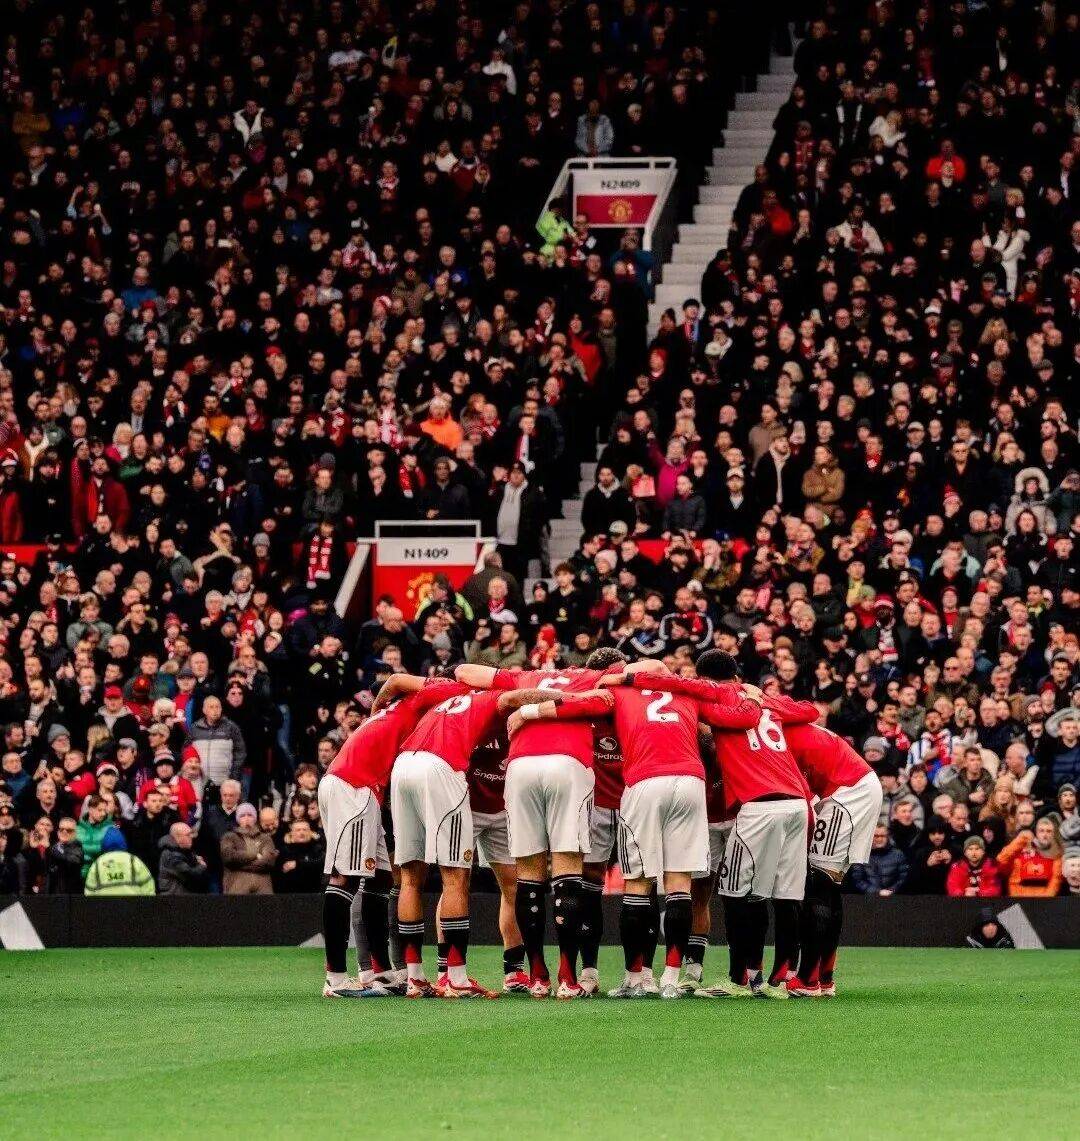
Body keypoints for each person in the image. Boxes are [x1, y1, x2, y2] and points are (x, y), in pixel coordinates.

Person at [783, 721, 882, 998]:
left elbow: (800, 795)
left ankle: (808, 980)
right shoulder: (789, 725)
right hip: (855, 786)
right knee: (830, 884)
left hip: (847, 793)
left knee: (819, 883)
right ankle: (824, 977)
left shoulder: (776, 737)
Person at [995, 817, 1063, 897]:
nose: (1045, 835)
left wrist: (1045, 900)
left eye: (1049, 831)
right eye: (1041, 831)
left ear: (1053, 834)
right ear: (1036, 833)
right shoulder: (1019, 852)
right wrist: (1021, 840)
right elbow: (1001, 860)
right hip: (1019, 899)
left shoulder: (1056, 855)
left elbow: (1055, 881)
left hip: (1043, 901)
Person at [220, 803, 277, 895]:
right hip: (237, 888)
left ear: (255, 818)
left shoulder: (265, 838)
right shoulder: (229, 837)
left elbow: (268, 861)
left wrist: (240, 865)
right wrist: (255, 855)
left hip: (262, 890)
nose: (246, 818)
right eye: (242, 815)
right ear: (238, 819)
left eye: (250, 815)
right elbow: (229, 857)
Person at [849, 826, 909, 897]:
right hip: (867, 898)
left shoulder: (898, 854)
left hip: (894, 897)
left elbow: (903, 877)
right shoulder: (861, 854)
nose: (879, 839)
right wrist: (877, 892)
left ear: (888, 837)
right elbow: (857, 880)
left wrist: (892, 890)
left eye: (883, 836)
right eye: (876, 836)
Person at [157, 822, 211, 895]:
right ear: (178, 837)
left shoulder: (185, 850)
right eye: (188, 835)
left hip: (185, 897)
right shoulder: (171, 856)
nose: (192, 837)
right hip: (174, 899)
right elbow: (190, 876)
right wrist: (202, 866)